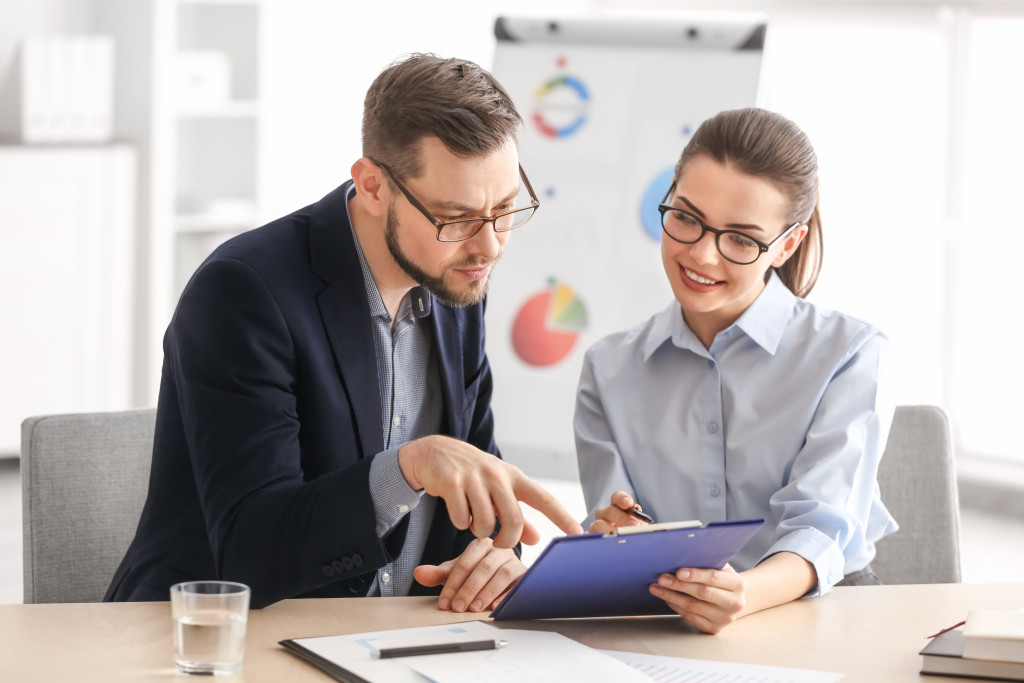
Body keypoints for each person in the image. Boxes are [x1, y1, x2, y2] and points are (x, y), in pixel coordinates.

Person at [106, 53, 582, 611]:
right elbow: (249, 552)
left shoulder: (456, 279)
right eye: (456, 219)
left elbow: (474, 485)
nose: (490, 245)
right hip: (220, 635)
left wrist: (493, 557)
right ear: (374, 186)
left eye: (504, 209)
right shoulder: (244, 291)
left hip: (399, 638)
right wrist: (408, 468)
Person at [574, 107, 897, 634]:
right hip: (669, 620)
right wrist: (617, 535)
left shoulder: (850, 352)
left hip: (819, 615)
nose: (702, 255)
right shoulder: (607, 369)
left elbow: (820, 530)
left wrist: (740, 594)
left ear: (786, 245)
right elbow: (611, 528)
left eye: (742, 240)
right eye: (685, 217)